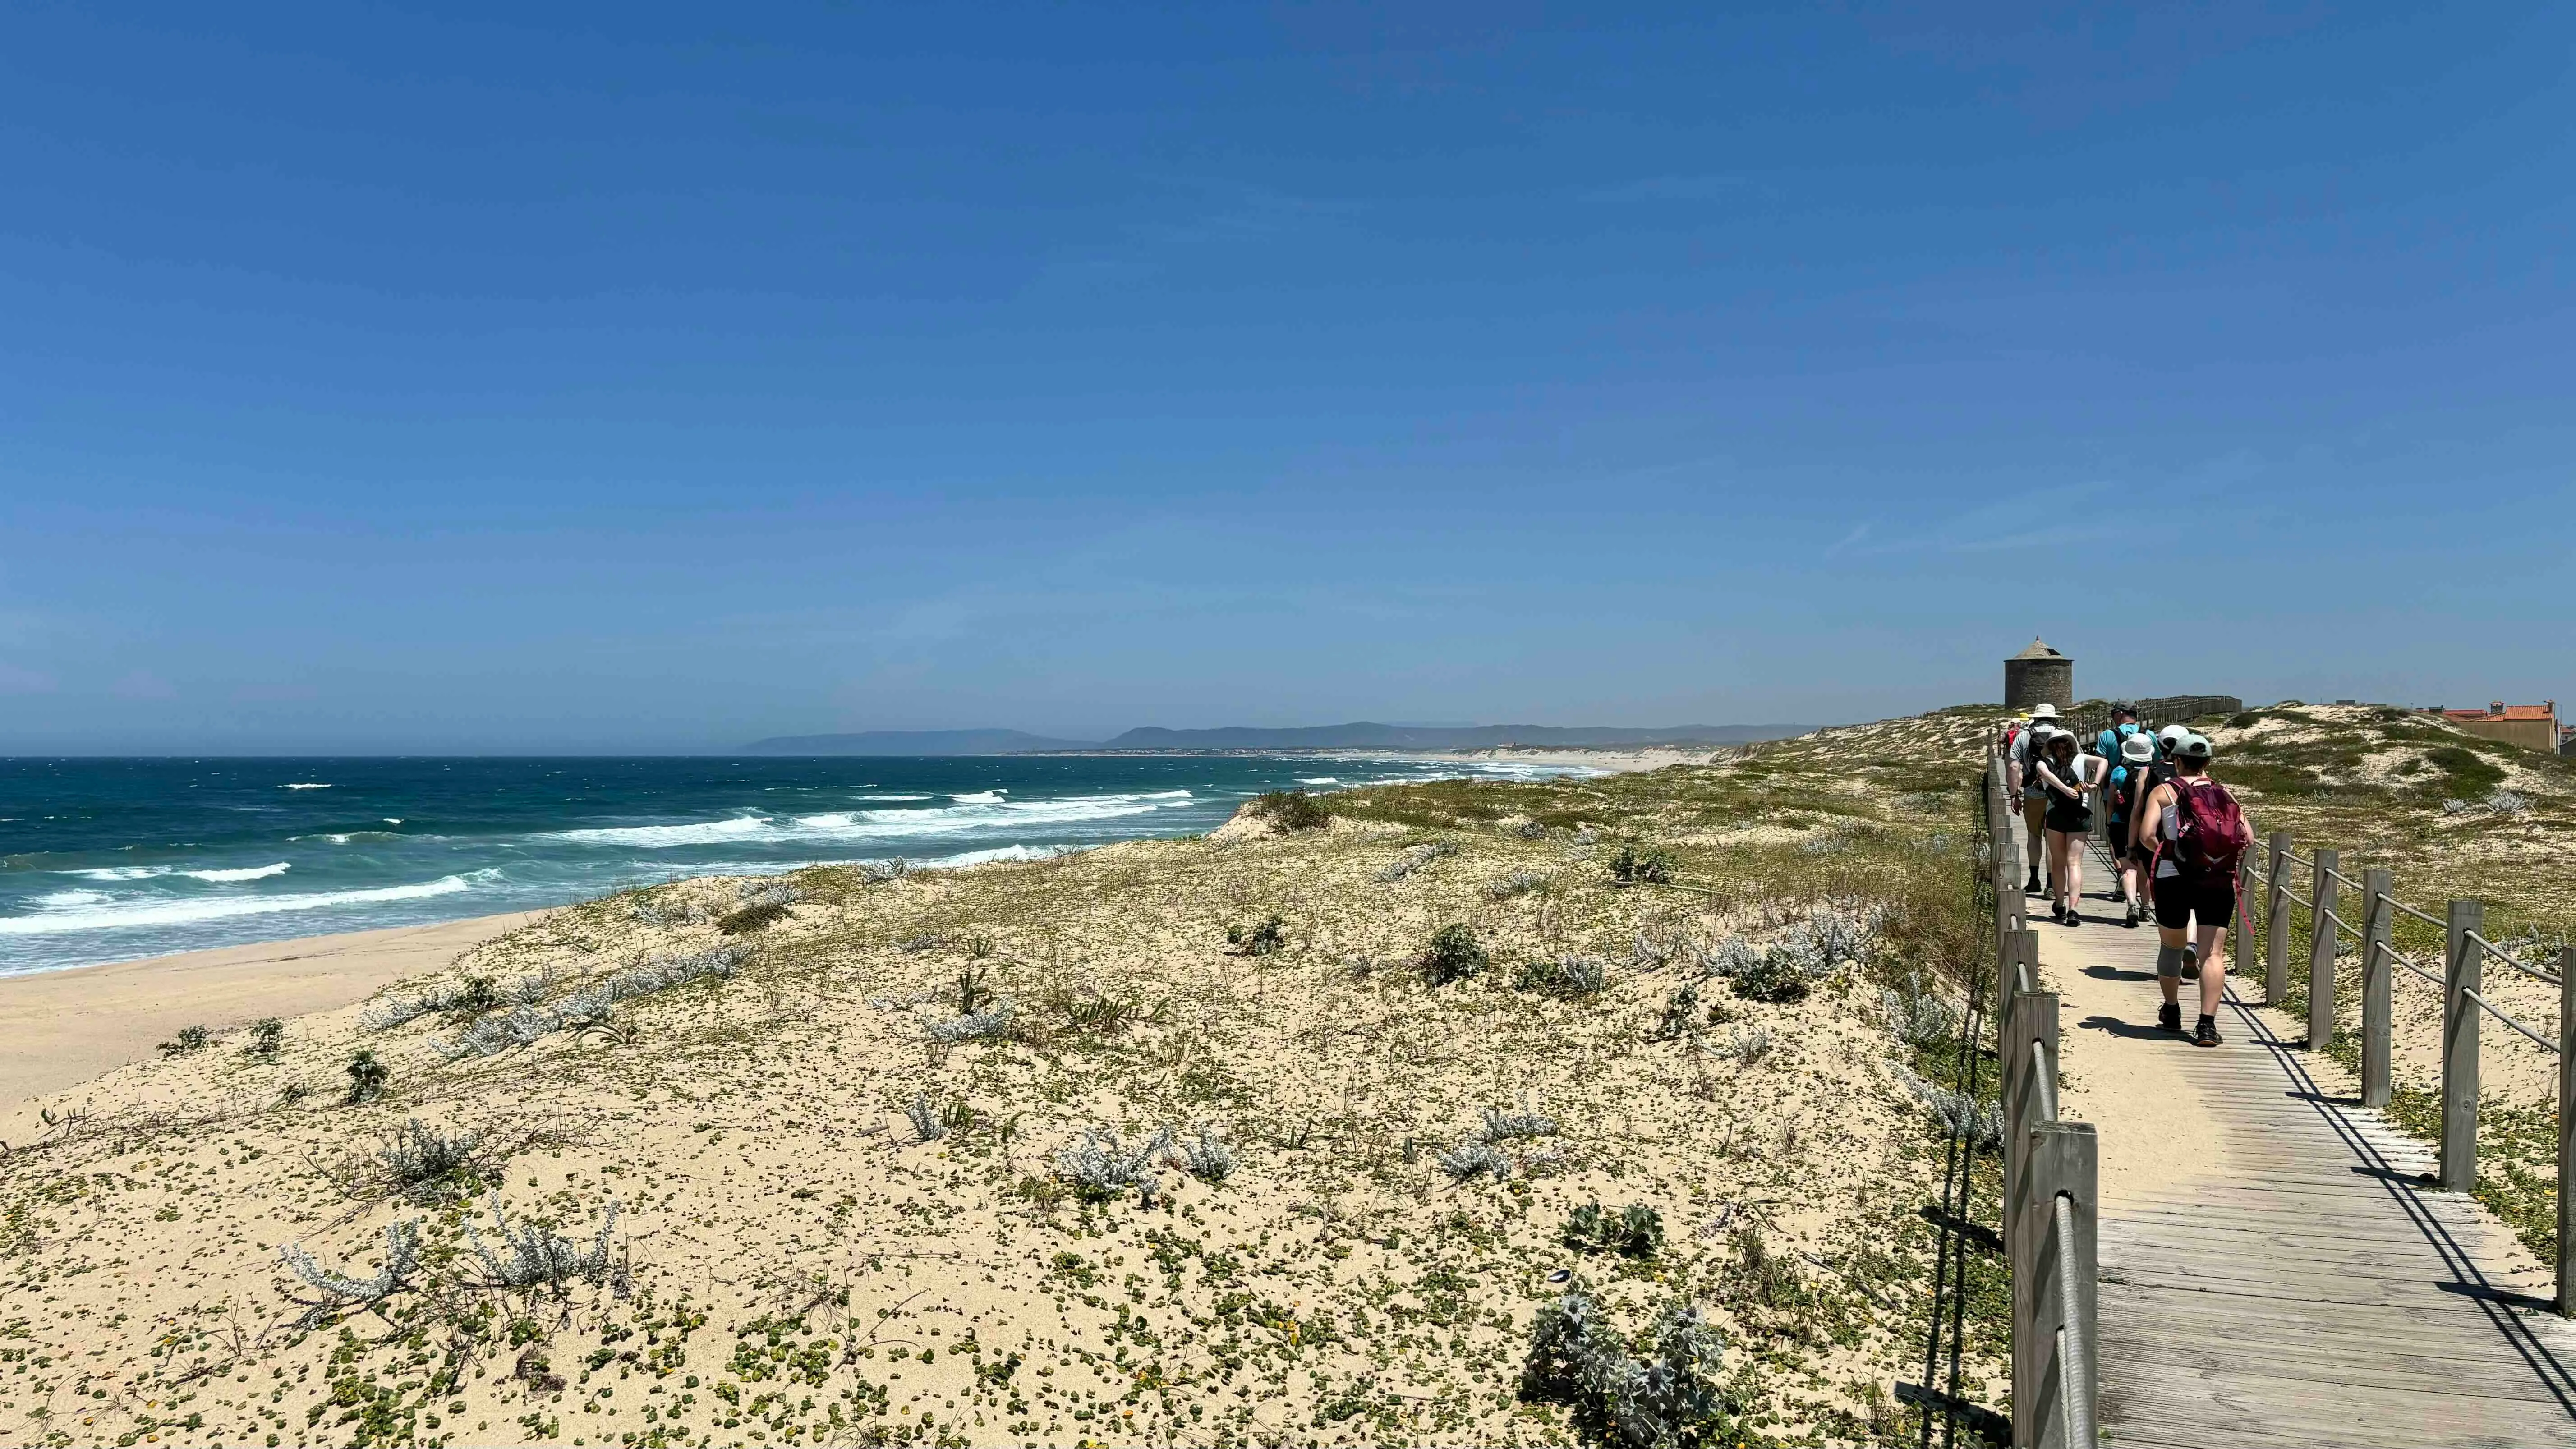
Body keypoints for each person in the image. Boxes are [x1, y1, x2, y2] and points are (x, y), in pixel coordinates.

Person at [2138, 733, 2254, 1046]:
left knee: (2172, 947)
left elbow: (2146, 835)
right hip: (2217, 880)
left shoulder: (2164, 791)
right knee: (2212, 953)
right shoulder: (2224, 794)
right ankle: (2206, 1025)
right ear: (2207, 763)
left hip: (2173, 878)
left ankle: (2173, 1010)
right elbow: (2249, 837)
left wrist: (2168, 849)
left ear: (2176, 761)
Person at [2034, 730, 2105, 925]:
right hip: (2079, 814)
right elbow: (2103, 762)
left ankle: (2060, 904)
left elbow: (2046, 775)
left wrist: (2063, 790)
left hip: (2056, 814)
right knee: (2075, 863)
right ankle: (2074, 909)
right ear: (2071, 744)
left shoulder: (2044, 762)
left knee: (2058, 863)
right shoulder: (2081, 758)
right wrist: (2095, 784)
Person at [2008, 705, 2060, 895]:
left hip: (2033, 791)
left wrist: (2014, 795)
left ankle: (2034, 880)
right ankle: (2052, 885)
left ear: (2036, 718)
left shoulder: (2024, 736)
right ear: (2054, 718)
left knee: (2034, 836)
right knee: (2052, 839)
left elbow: (2014, 767)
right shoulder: (2064, 735)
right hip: (2059, 793)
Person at [2106, 732, 2157, 926]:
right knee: (2144, 869)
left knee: (2128, 869)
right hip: (2145, 825)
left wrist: (2109, 822)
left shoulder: (2118, 772)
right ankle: (2145, 908)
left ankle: (2131, 905)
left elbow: (2111, 802)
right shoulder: (2152, 772)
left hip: (2121, 824)